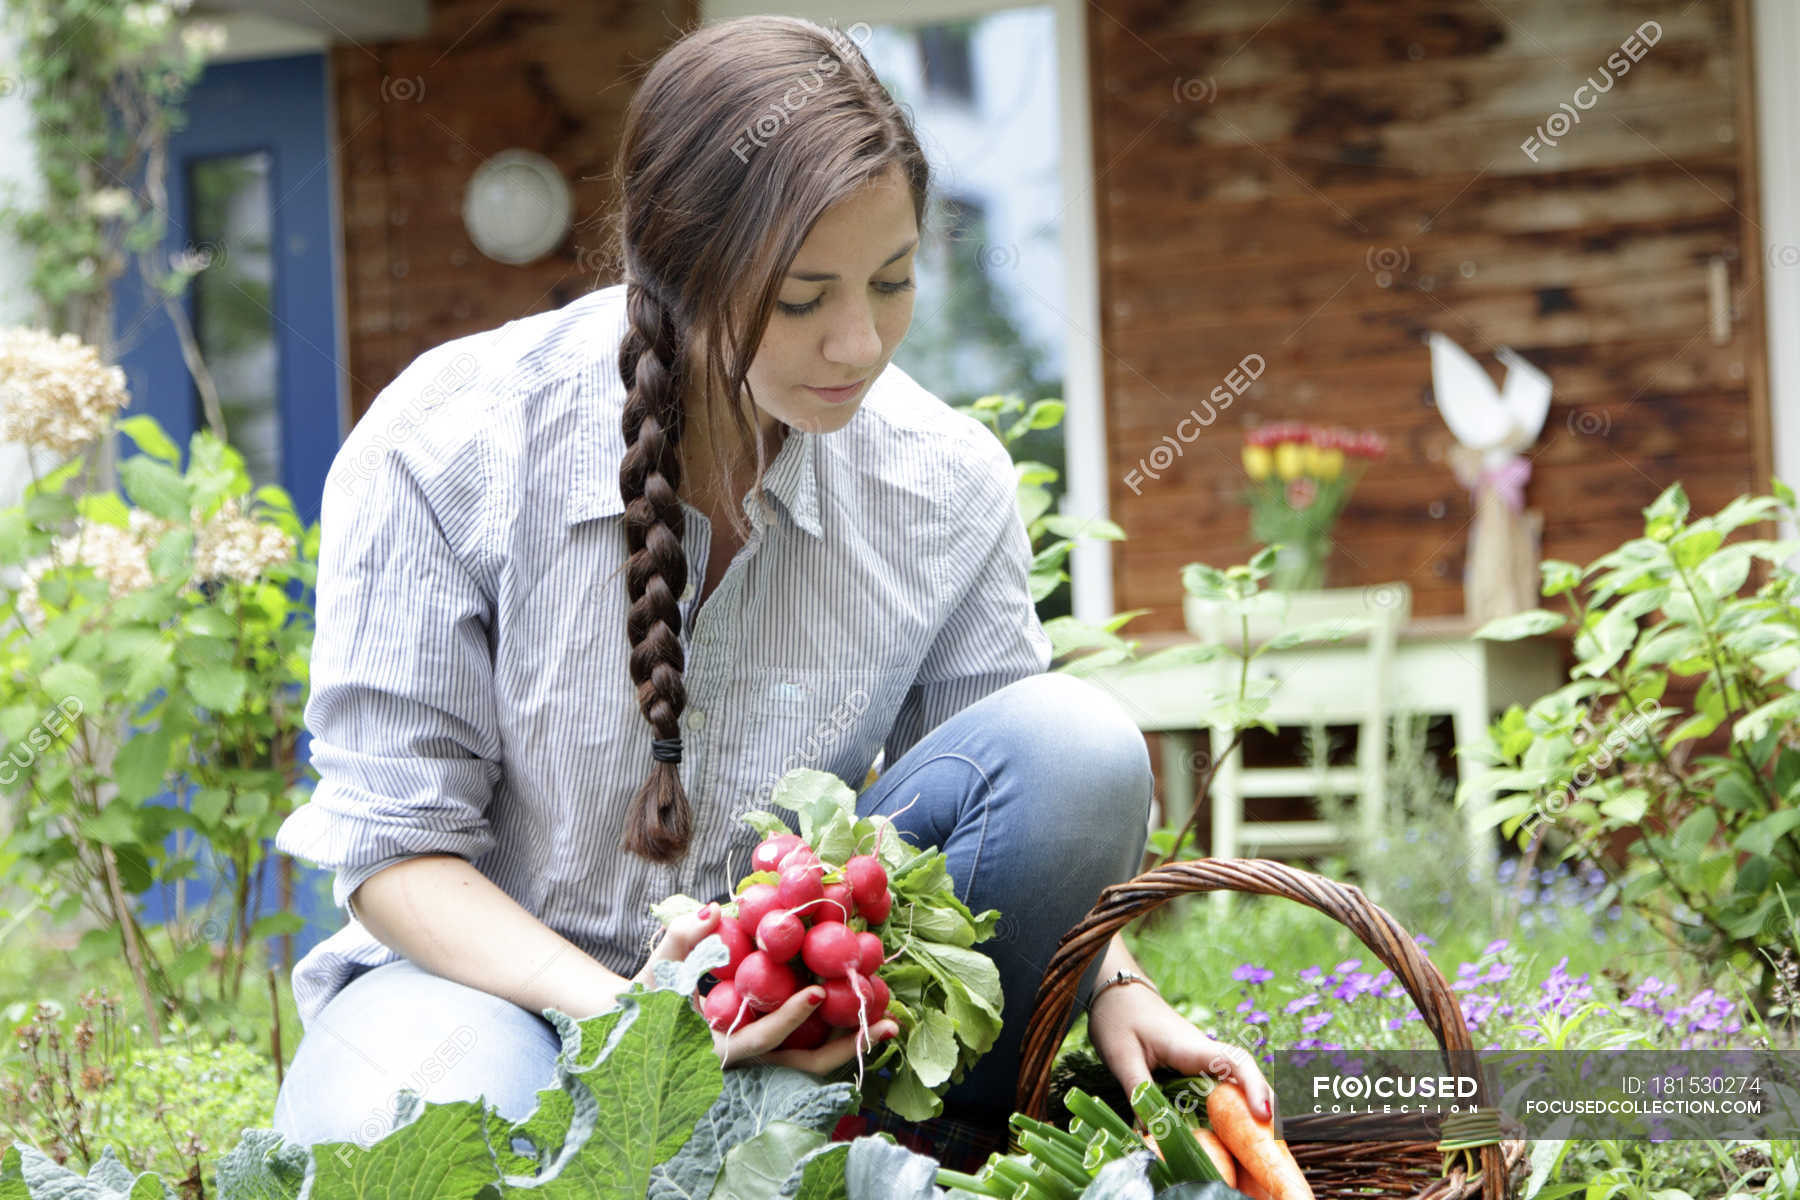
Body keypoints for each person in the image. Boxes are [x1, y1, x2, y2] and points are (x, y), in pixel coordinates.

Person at [267, 12, 1273, 1169]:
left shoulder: (939, 480)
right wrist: (639, 1025)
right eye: (802, 299)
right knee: (393, 1146)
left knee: (1078, 744)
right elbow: (397, 853)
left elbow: (1012, 812)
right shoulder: (446, 447)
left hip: (812, 1002)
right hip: (496, 993)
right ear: (674, 261)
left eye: (892, 282)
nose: (859, 343)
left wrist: (1115, 981)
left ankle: (888, 1130)